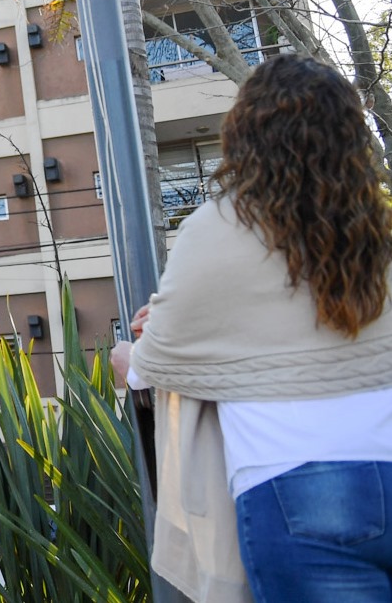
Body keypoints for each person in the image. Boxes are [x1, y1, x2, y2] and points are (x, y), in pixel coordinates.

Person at [115, 55, 392, 603]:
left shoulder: (219, 228)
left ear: (244, 134)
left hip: (299, 489)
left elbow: (153, 363)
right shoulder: (379, 225)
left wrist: (132, 357)